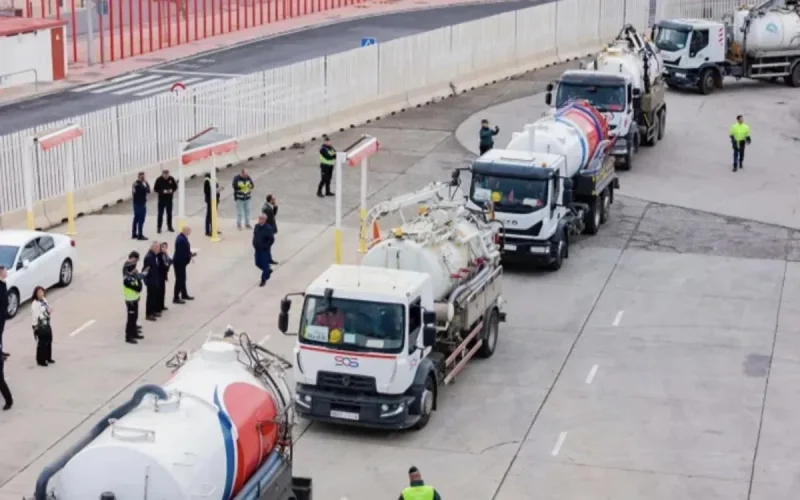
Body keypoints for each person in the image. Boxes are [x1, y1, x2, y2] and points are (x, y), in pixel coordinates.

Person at [123, 255, 144, 344]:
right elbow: (138, 288)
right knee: (130, 319)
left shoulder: (133, 276)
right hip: (130, 301)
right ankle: (129, 336)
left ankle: (134, 333)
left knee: (135, 318)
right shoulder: (127, 279)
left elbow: (140, 286)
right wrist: (137, 279)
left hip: (135, 299)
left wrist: (137, 277)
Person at [31, 286, 54, 367]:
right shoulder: (35, 304)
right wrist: (47, 313)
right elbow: (38, 316)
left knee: (49, 340)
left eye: (42, 292)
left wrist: (49, 311)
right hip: (39, 325)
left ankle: (48, 357)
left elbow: (47, 308)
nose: (41, 294)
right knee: (42, 343)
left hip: (46, 323)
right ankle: (41, 360)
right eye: (39, 293)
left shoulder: (44, 300)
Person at [173, 226, 196, 303]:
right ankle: (176, 297)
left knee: (183, 279)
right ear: (185, 231)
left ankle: (184, 294)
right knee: (180, 280)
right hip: (179, 263)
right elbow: (182, 253)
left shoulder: (182, 237)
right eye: (189, 231)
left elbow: (186, 250)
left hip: (181, 262)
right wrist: (189, 256)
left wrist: (190, 254)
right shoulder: (181, 240)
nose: (190, 232)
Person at [253, 214, 275, 287]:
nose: (260, 220)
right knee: (257, 263)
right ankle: (268, 271)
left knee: (265, 265)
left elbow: (271, 239)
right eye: (259, 218)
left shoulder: (268, 228)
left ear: (265, 220)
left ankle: (263, 279)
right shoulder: (256, 226)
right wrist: (254, 243)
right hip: (257, 249)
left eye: (261, 219)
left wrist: (266, 246)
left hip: (264, 250)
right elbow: (255, 236)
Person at [142, 242, 162, 321]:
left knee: (154, 297)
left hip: (155, 279)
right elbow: (146, 270)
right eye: (157, 248)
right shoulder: (149, 257)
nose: (158, 249)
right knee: (150, 298)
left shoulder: (154, 255)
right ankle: (149, 314)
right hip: (151, 281)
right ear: (153, 248)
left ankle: (153, 311)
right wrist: (147, 281)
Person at [153, 169, 177, 233]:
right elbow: (155, 189)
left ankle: (169, 226)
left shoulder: (171, 179)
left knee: (169, 214)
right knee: (160, 214)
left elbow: (175, 187)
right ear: (162, 174)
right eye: (165, 174)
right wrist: (163, 191)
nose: (166, 176)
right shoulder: (159, 180)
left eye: (167, 174)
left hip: (169, 200)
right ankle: (159, 227)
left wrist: (172, 190)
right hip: (161, 200)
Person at [131, 171, 151, 240]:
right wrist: (146, 182)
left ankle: (134, 233)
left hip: (135, 203)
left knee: (136, 218)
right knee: (141, 220)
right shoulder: (141, 185)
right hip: (141, 204)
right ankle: (140, 235)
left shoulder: (134, 184)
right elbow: (148, 190)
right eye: (143, 176)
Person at [203, 173, 223, 237]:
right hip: (210, 200)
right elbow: (207, 191)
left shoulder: (214, 180)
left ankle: (214, 229)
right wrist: (216, 190)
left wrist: (218, 191)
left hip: (215, 200)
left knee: (214, 215)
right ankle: (207, 231)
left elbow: (216, 189)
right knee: (209, 216)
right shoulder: (207, 181)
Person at [261, 194, 279, 265]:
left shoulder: (268, 207)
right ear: (270, 200)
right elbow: (270, 219)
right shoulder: (267, 209)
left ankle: (268, 259)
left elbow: (272, 215)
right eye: (273, 199)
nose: (274, 200)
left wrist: (275, 206)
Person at [157, 242, 172, 313]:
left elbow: (170, 261)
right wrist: (167, 265)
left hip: (163, 275)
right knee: (159, 292)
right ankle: (158, 307)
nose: (164, 248)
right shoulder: (159, 255)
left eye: (166, 247)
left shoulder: (165, 255)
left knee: (163, 291)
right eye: (163, 247)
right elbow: (163, 265)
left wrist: (167, 255)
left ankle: (162, 305)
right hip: (159, 276)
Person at [0, 266, 8, 359]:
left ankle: (1, 351)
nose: (6, 272)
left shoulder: (3, 283)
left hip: (3, 313)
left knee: (1, 332)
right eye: (5, 271)